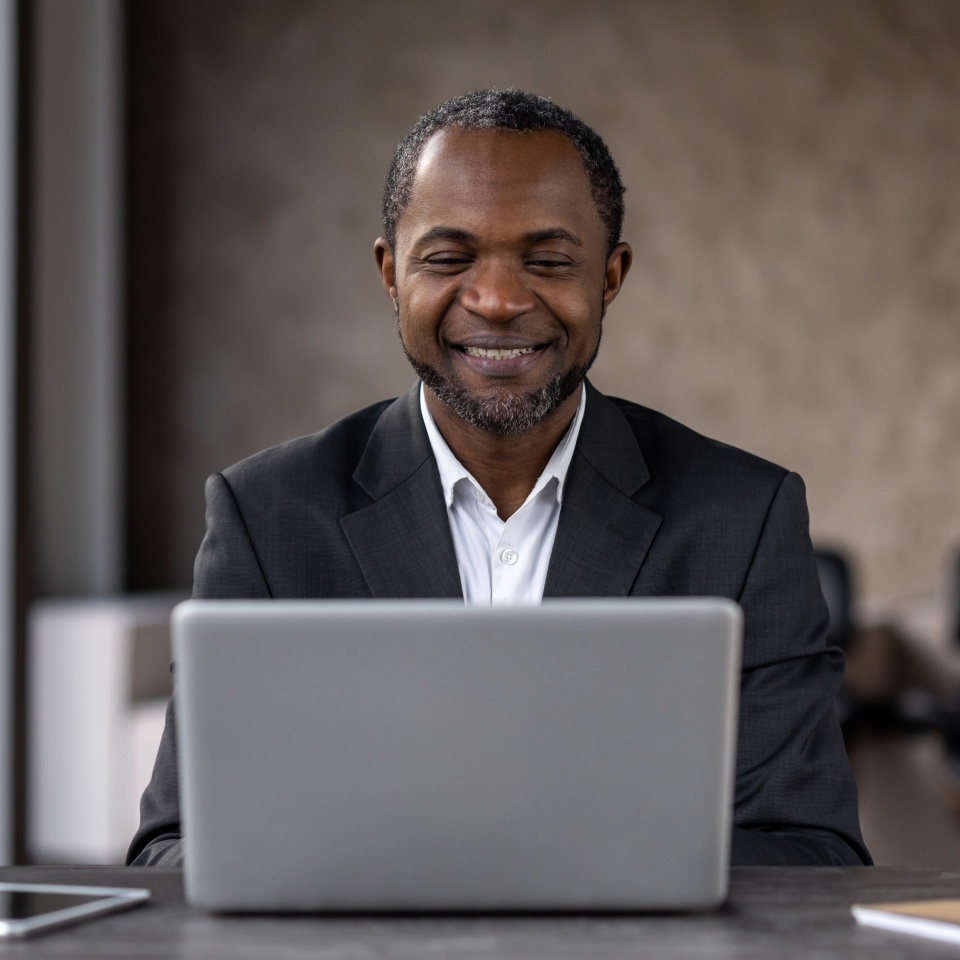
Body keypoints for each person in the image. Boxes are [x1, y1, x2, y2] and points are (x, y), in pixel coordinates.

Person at [128, 89, 871, 868]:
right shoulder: (267, 517)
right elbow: (172, 851)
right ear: (390, 273)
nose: (498, 301)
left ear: (611, 276)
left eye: (548, 261)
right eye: (449, 259)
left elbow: (811, 853)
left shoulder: (743, 518)